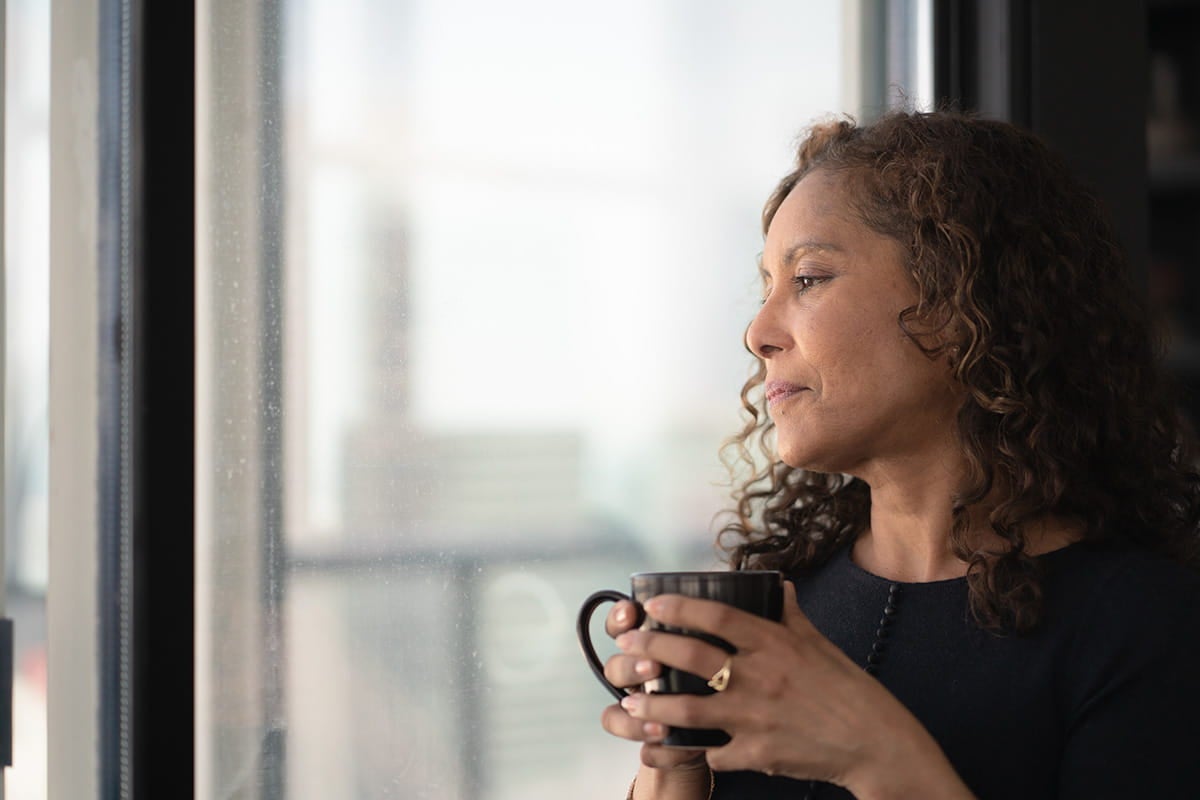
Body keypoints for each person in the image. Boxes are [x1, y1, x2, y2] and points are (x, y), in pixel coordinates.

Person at [597, 109, 1200, 799]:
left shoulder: (1153, 631)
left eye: (809, 278)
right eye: (766, 288)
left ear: (961, 300)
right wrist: (672, 769)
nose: (758, 332)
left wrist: (875, 755)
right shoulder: (780, 605)